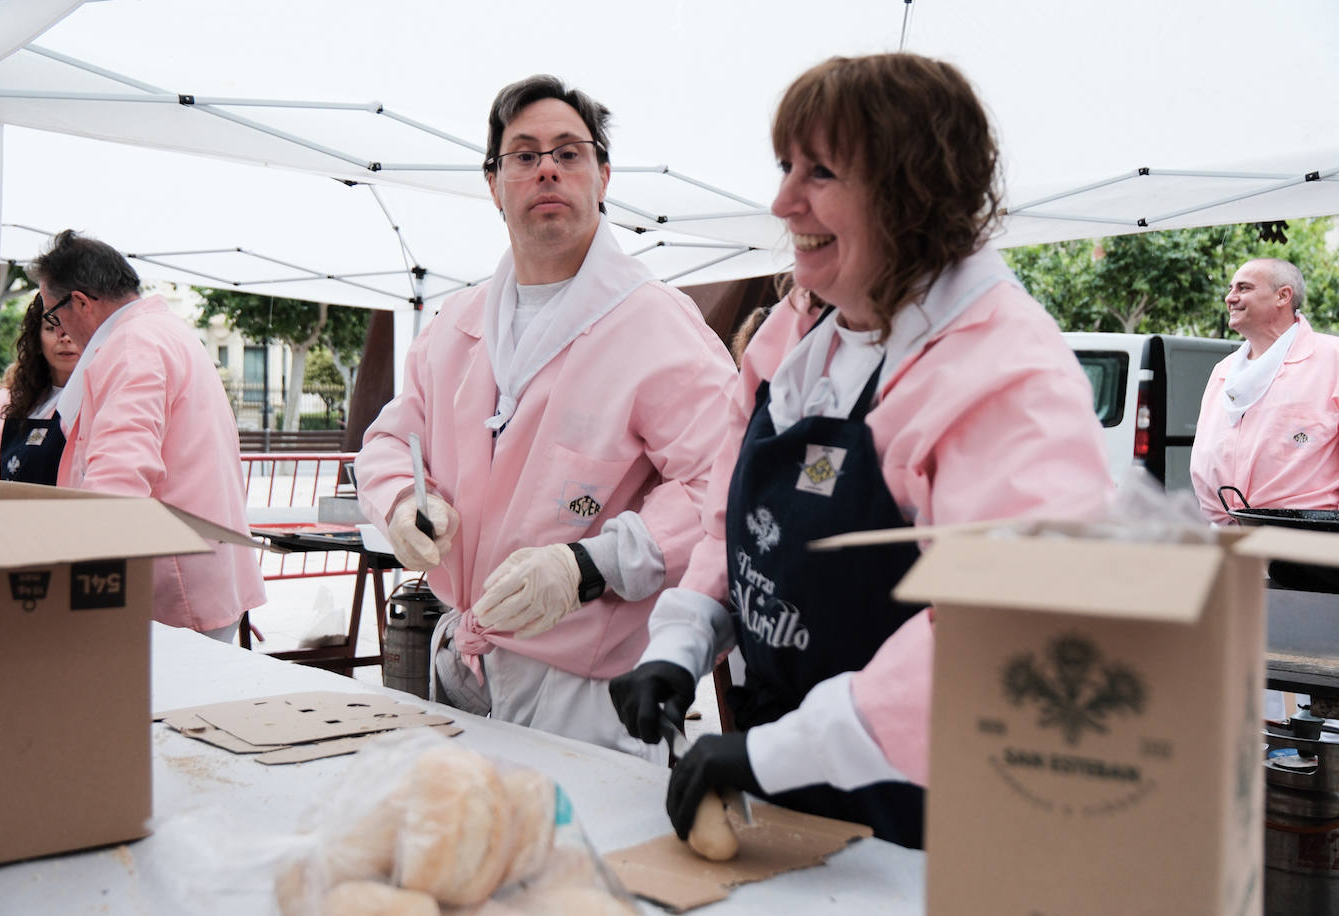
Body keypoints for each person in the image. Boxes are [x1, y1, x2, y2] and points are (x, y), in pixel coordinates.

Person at [609, 54, 1114, 849]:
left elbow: (998, 627)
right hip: (787, 786)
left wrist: (774, 754)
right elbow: (729, 531)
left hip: (925, 816)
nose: (781, 201)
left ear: (912, 192)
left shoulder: (1003, 372)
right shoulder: (796, 331)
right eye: (784, 166)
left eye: (821, 171)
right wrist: (681, 641)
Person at [355, 74, 737, 760]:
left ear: (603, 176)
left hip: (586, 690)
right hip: (466, 662)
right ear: (494, 183)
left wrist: (589, 564)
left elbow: (722, 481)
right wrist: (401, 502)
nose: (547, 169)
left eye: (569, 151)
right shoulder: (459, 323)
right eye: (524, 155)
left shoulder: (655, 324)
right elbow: (390, 437)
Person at [29, 231, 265, 641]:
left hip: (172, 585)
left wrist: (80, 583)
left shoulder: (132, 345)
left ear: (80, 302)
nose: (59, 329)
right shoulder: (163, 330)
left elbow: (119, 476)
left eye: (53, 315)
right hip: (197, 567)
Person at [1190, 258, 1339, 525]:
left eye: (1243, 288)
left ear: (1283, 296)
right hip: (1227, 536)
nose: (1230, 298)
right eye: (1230, 288)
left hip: (1306, 542)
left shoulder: (1332, 358)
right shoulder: (1223, 370)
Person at [0, 294, 81, 483]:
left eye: (74, 328)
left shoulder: (98, 403)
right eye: (51, 328)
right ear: (36, 340)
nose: (65, 338)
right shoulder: (4, 402)